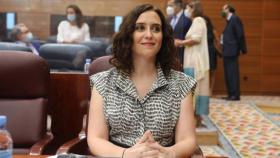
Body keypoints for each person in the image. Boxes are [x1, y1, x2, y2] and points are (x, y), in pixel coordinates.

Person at [87, 4, 197, 158]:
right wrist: (125, 154)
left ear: (163, 37)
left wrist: (168, 153)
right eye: (140, 28)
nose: (149, 35)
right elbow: (95, 139)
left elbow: (188, 140)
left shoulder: (181, 83)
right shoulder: (103, 82)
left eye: (156, 29)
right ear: (128, 34)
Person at [177, 1, 209, 127]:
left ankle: (196, 117)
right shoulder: (195, 21)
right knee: (193, 89)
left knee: (195, 89)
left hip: (196, 61)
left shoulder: (198, 20)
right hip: (192, 60)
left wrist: (180, 42)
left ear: (194, 9)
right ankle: (195, 117)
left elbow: (196, 39)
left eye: (188, 8)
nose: (187, 11)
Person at [221, 4, 247, 101]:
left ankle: (235, 95)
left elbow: (240, 34)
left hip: (232, 51)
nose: (222, 11)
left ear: (228, 9)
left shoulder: (235, 19)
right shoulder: (229, 20)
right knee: (228, 73)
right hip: (227, 51)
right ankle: (230, 94)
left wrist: (242, 49)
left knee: (232, 73)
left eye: (223, 9)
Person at [166, 0, 192, 67]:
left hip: (183, 54)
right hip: (170, 55)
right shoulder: (168, 19)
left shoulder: (187, 18)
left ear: (178, 5)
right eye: (168, 6)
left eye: (171, 6)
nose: (168, 8)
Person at [203, 15, 222, 95]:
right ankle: (204, 90)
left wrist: (218, 48)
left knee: (212, 71)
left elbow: (218, 41)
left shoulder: (213, 30)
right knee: (204, 72)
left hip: (211, 51)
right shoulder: (201, 30)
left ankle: (210, 90)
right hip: (203, 52)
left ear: (207, 21)